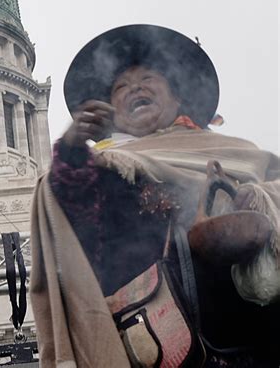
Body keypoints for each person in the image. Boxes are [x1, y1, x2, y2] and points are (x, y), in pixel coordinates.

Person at [30, 25, 279, 368]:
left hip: (253, 343)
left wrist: (256, 199)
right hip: (161, 342)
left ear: (178, 98)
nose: (135, 88)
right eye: (121, 87)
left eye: (148, 78)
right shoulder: (106, 167)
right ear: (111, 111)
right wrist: (73, 150)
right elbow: (77, 216)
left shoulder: (236, 154)